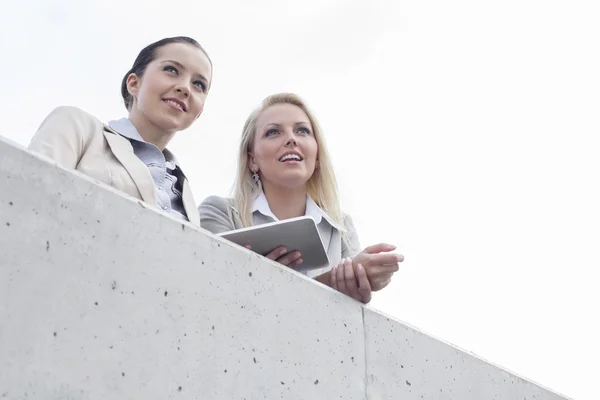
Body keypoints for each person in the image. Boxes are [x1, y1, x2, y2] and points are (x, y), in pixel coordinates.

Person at [199, 93, 403, 303]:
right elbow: (212, 291)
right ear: (252, 160)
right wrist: (331, 283)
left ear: (316, 156)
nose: (291, 139)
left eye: (302, 130)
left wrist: (362, 276)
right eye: (273, 132)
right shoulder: (218, 212)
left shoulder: (341, 228)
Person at [28, 36, 212, 225]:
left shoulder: (182, 190)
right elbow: (28, 200)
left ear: (200, 111)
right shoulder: (76, 126)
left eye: (199, 84)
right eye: (171, 70)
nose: (185, 88)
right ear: (133, 83)